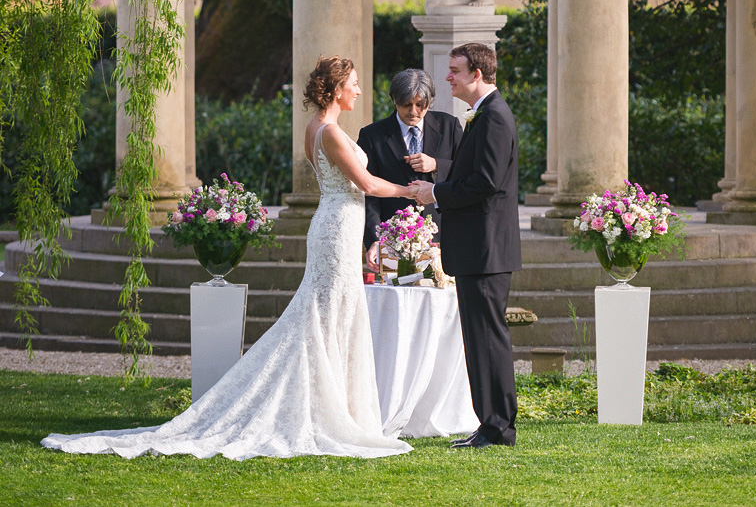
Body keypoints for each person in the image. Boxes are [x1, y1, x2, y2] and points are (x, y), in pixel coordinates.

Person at [42, 57, 414, 460]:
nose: (359, 90)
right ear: (337, 88)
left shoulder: (316, 129)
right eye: (354, 83)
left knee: (331, 313)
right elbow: (367, 183)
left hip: (334, 224)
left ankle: (334, 404)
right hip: (337, 226)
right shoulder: (331, 134)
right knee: (324, 313)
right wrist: (415, 191)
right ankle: (322, 407)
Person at [411, 42, 521, 449]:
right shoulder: (484, 115)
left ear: (477, 74)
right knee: (479, 338)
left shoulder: (493, 117)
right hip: (480, 247)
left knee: (488, 338)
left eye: (455, 70)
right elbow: (474, 170)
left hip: (486, 248)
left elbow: (487, 182)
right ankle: (490, 423)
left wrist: (435, 193)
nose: (447, 77)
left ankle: (498, 429)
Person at [357, 68, 464, 269]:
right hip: (391, 239)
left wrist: (436, 165)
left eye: (420, 105)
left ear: (429, 102)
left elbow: (466, 173)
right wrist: (374, 238)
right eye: (407, 105)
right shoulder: (372, 136)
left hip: (443, 236)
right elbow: (367, 195)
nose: (413, 111)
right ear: (394, 100)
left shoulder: (449, 126)